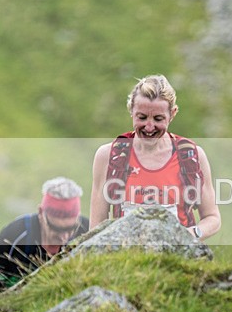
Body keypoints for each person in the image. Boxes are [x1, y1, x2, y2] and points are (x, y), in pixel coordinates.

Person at [90, 74, 221, 240]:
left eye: (158, 118)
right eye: (142, 117)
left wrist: (190, 235)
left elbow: (212, 217)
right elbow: (96, 227)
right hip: (125, 259)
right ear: (131, 110)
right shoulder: (109, 156)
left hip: (179, 258)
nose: (149, 127)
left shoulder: (192, 156)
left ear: (172, 114)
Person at [0, 177, 89, 288]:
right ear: (40, 213)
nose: (64, 237)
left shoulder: (88, 232)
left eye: (71, 228)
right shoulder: (16, 233)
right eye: (56, 228)